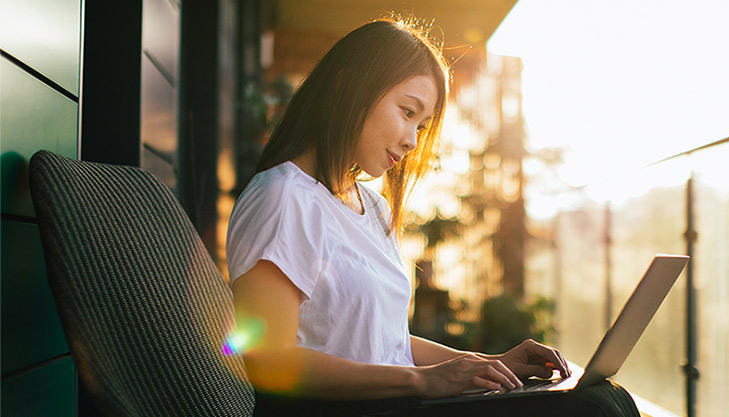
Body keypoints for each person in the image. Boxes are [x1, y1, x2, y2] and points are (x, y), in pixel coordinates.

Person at [226, 17, 639, 417]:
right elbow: (269, 362)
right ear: (346, 87)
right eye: (407, 112)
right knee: (589, 408)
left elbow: (387, 344)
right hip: (357, 409)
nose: (411, 141)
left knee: (605, 395)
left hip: (399, 401)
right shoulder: (284, 198)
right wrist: (422, 382)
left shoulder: (371, 208)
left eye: (421, 126)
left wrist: (488, 364)